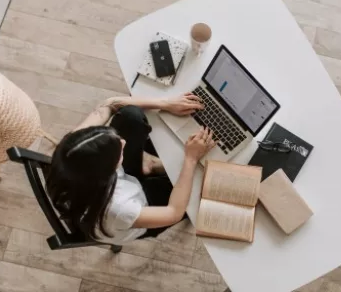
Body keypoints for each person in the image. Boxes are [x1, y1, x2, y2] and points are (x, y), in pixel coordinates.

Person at [46, 93, 216, 245]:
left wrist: (166, 103)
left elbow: (110, 103)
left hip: (116, 184)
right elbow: (173, 212)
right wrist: (190, 159)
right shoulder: (119, 209)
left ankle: (147, 166)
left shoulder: (71, 148)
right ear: (107, 171)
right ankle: (151, 167)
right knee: (201, 185)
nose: (123, 142)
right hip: (139, 209)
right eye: (118, 151)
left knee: (130, 115)